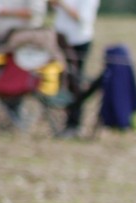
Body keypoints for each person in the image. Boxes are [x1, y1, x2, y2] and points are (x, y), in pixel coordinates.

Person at [49, 0, 100, 137]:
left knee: (75, 85)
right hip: (60, 40)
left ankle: (73, 124)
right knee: (61, 82)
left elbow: (82, 18)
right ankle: (60, 119)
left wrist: (62, 4)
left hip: (78, 41)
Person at [0, 0, 47, 106]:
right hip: (0, 39)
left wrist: (8, 13)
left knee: (15, 80)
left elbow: (35, 13)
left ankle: (14, 111)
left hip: (20, 43)